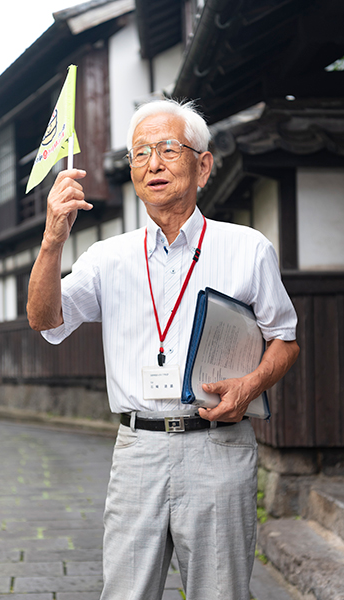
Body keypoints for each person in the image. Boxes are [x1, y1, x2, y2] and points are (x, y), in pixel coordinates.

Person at [27, 99, 299, 600]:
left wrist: (251, 383)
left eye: (168, 149)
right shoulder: (107, 257)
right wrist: (52, 240)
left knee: (221, 593)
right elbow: (46, 320)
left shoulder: (248, 248)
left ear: (203, 165)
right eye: (141, 153)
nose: (153, 163)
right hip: (139, 450)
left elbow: (285, 338)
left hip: (219, 447)